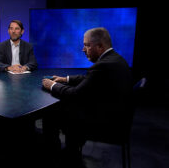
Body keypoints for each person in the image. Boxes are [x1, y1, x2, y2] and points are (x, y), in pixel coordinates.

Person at [42, 27, 133, 167]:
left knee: (52, 113)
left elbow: (75, 95)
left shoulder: (103, 66)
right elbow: (89, 78)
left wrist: (52, 85)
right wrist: (65, 79)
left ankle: (58, 156)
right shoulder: (115, 59)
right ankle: (72, 151)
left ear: (100, 46)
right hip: (118, 119)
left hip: (106, 125)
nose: (83, 49)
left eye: (87, 45)